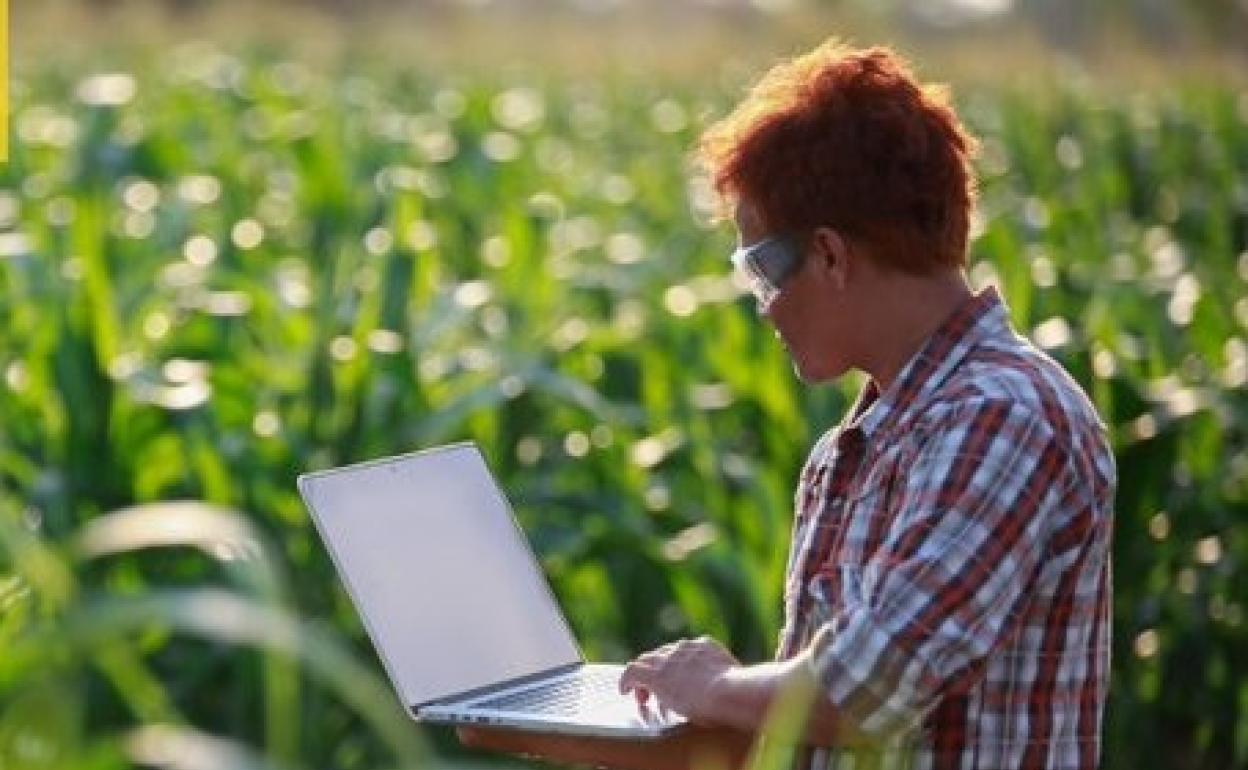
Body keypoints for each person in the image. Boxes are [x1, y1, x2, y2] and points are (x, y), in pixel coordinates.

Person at [461, 39, 1115, 770]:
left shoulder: (1006, 416)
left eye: (760, 270)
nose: (764, 308)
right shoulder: (858, 446)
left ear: (831, 255)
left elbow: (863, 695)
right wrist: (525, 723)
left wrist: (715, 685)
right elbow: (800, 736)